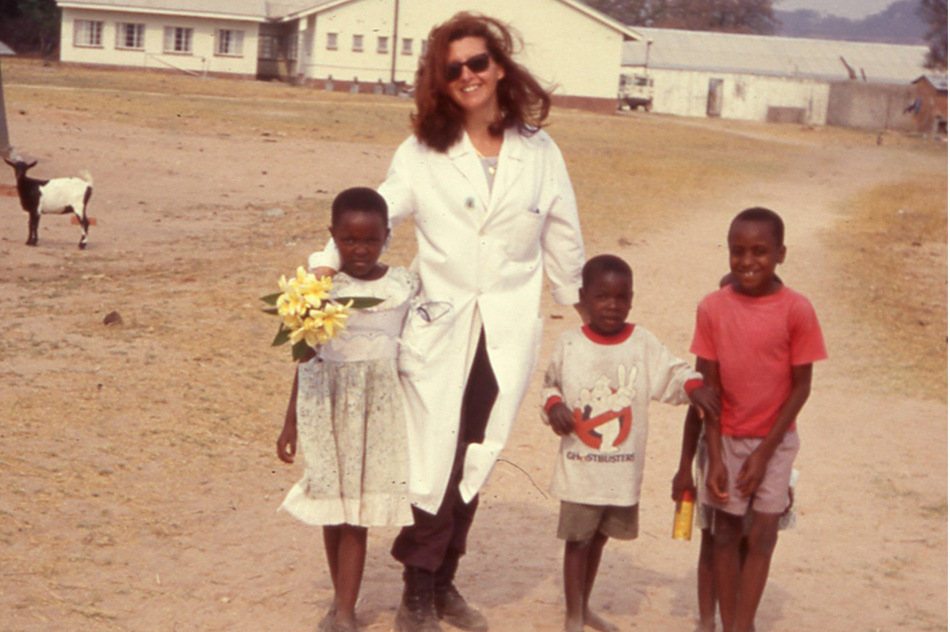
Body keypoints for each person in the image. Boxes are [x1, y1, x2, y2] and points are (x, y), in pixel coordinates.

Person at [308, 12, 586, 632]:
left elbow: (564, 232)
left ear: (500, 67)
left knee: (475, 456)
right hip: (439, 324)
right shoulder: (422, 153)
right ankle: (417, 590)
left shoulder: (540, 152)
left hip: (505, 328)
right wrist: (321, 270)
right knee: (433, 455)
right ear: (440, 78)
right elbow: (376, 211)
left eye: (477, 62)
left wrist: (586, 308)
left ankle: (444, 581)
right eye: (453, 67)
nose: (467, 75)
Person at [541, 255, 720, 632]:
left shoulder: (642, 343)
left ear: (632, 299)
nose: (612, 305)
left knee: (599, 538)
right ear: (583, 298)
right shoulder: (570, 343)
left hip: (620, 470)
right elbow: (550, 385)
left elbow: (673, 372)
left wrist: (694, 387)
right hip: (580, 469)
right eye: (602, 296)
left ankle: (584, 606)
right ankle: (573, 616)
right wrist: (554, 406)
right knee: (578, 540)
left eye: (621, 297)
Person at [276, 187, 419, 632]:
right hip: (326, 406)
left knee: (356, 513)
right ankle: (341, 602)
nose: (360, 250)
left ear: (387, 236)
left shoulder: (401, 286)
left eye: (371, 240)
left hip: (377, 411)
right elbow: (306, 357)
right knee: (332, 509)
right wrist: (290, 423)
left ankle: (345, 613)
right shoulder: (319, 291)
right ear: (332, 237)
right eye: (349, 240)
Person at [691, 208, 826, 632]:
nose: (747, 261)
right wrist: (716, 456)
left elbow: (801, 388)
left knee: (763, 535)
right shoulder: (712, 308)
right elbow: (710, 390)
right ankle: (730, 623)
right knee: (725, 534)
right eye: (738, 251)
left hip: (776, 442)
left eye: (760, 251)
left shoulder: (797, 310)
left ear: (781, 253)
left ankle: (743, 624)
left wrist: (765, 453)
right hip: (727, 439)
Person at [671, 272, 796, 632]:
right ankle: (707, 620)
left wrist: (786, 481)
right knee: (714, 538)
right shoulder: (708, 359)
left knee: (749, 538)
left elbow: (783, 423)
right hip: (716, 459)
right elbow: (694, 418)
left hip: (759, 458)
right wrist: (685, 469)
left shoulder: (764, 359)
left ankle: (741, 620)